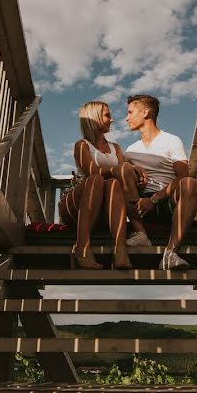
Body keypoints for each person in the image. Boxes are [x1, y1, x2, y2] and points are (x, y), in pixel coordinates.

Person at [119, 94, 197, 270]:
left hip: (167, 201)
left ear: (145, 112)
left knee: (190, 183)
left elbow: (183, 177)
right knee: (122, 169)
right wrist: (130, 168)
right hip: (139, 206)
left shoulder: (171, 140)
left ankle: (170, 254)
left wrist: (154, 199)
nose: (127, 118)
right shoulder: (130, 151)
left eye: (131, 112)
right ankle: (140, 233)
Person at [59, 101, 133, 270]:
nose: (112, 120)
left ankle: (120, 250)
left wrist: (133, 170)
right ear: (94, 118)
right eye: (107, 115)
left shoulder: (116, 147)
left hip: (103, 212)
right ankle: (81, 248)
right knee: (96, 179)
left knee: (114, 183)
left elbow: (121, 172)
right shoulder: (82, 145)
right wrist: (119, 169)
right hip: (77, 207)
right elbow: (92, 170)